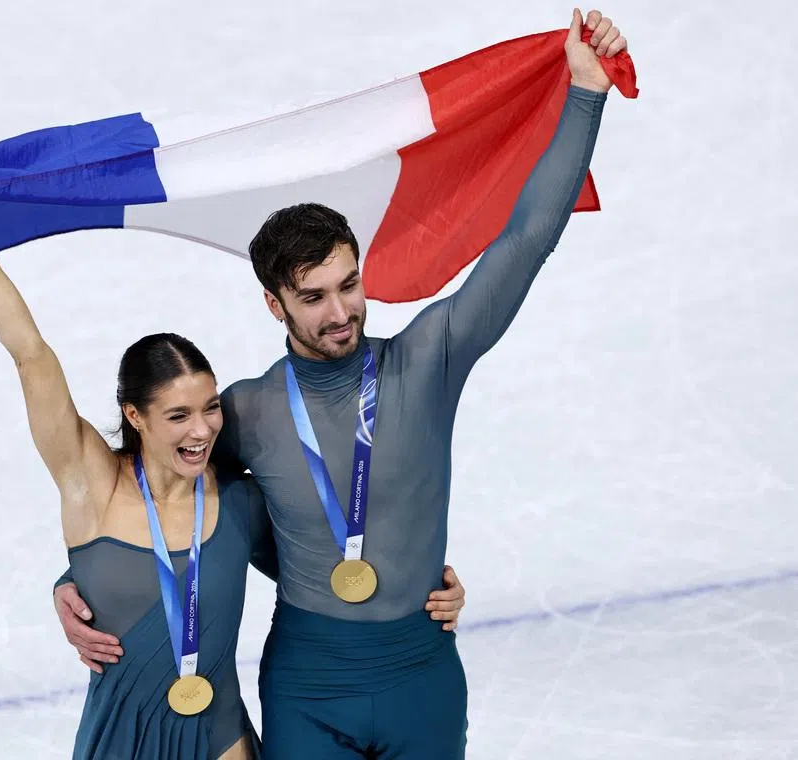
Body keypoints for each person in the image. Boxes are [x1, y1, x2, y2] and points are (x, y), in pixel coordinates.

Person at [55, 8, 629, 758]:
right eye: (314, 296)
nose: (340, 312)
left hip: (419, 672)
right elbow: (164, 504)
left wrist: (585, 93)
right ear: (275, 303)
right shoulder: (249, 411)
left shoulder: (428, 362)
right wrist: (78, 586)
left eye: (349, 286)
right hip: (307, 684)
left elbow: (526, 239)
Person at [0, 180, 281, 757]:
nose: (203, 429)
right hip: (119, 744)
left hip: (221, 740)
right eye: (178, 414)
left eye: (210, 408)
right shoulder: (92, 486)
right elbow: (32, 354)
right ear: (135, 416)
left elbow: (323, 573)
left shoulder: (238, 499)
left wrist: (427, 586)